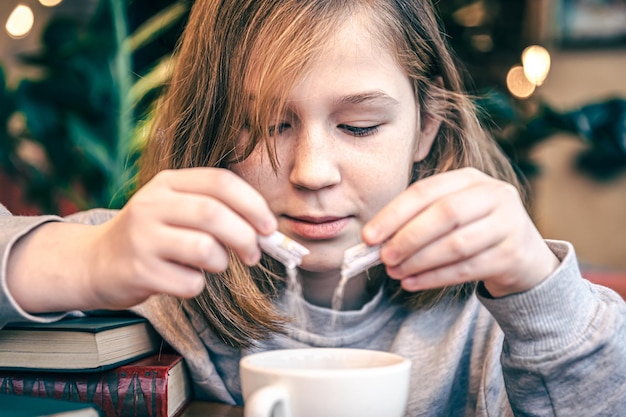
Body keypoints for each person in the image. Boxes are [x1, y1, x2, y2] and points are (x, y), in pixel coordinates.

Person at [1, 0, 625, 415]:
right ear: (213, 130)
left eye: (358, 126)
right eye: (269, 123)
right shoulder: (152, 269)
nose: (311, 172)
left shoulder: (489, 316)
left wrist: (538, 291)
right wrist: (85, 260)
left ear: (427, 129)